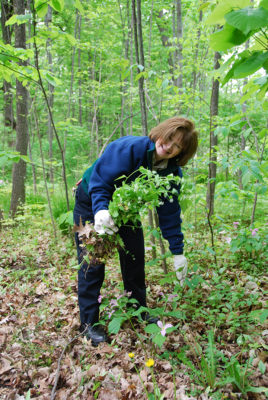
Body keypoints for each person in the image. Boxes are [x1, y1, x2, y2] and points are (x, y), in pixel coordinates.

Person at [73, 116, 198, 346]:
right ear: (161, 133)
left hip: (125, 211)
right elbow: (100, 181)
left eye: (177, 145)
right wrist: (100, 210)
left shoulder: (170, 174)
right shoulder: (130, 148)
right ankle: (89, 323)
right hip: (90, 201)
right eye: (169, 138)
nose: (169, 146)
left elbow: (169, 213)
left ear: (182, 152)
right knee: (92, 263)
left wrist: (178, 252)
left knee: (135, 259)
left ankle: (137, 310)